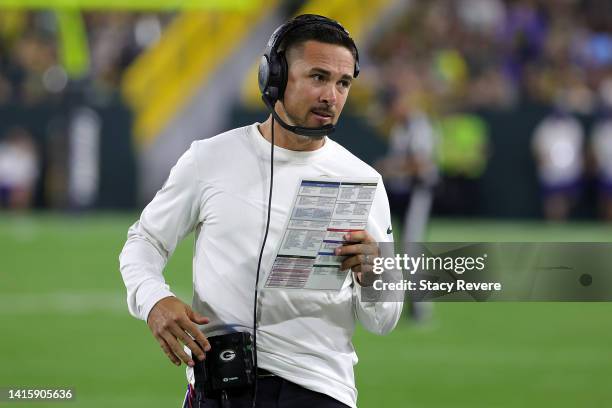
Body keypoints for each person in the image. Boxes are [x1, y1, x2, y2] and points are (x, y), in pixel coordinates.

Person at [119, 14, 402, 408]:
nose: (331, 96)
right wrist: (153, 301)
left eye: (343, 83)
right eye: (318, 77)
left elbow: (383, 320)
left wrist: (375, 274)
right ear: (275, 76)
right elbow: (144, 242)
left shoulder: (364, 180)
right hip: (217, 388)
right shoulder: (209, 158)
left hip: (319, 392)